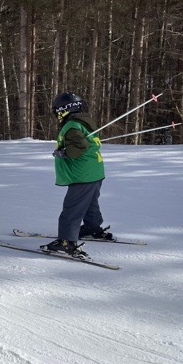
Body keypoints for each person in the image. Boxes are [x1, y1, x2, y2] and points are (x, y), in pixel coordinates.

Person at [40, 92, 114, 259]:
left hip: (83, 175)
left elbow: (80, 145)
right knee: (89, 203)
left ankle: (67, 241)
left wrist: (64, 152)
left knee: (73, 208)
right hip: (94, 172)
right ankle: (92, 227)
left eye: (57, 110)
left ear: (64, 109)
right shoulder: (85, 122)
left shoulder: (72, 126)